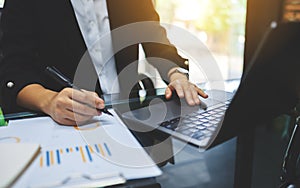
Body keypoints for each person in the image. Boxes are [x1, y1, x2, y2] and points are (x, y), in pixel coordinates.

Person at [0, 0, 208, 125]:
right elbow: (14, 70)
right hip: (67, 124)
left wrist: (176, 74)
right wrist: (49, 101)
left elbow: (153, 37)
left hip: (133, 116)